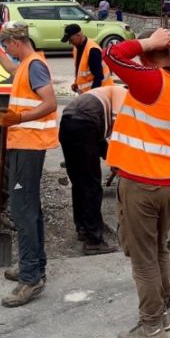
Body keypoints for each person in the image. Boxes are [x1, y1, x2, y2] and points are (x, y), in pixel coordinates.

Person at [104, 28, 170, 338]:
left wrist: (147, 42)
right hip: (169, 185)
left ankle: (151, 326)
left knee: (143, 257)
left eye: (144, 52)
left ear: (149, 54)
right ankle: (161, 312)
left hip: (143, 184)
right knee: (159, 249)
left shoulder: (152, 81)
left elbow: (112, 54)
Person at [0, 21, 58, 308]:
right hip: (24, 144)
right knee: (29, 206)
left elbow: (50, 103)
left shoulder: (35, 66)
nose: (9, 52)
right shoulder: (26, 64)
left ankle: (31, 278)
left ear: (18, 42)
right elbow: (12, 70)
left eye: (8, 46)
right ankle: (35, 266)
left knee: (22, 209)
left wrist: (18, 119)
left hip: (29, 144)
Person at [59, 84, 128, 255]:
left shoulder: (102, 94)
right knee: (91, 186)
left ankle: (83, 227)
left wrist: (110, 157)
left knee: (79, 181)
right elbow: (117, 130)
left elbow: (99, 139)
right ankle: (93, 240)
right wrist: (119, 161)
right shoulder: (123, 93)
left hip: (68, 123)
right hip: (83, 126)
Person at [62, 23, 114, 94]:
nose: (70, 43)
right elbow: (80, 69)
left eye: (71, 40)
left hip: (101, 92)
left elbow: (98, 77)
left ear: (78, 35)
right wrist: (77, 83)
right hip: (87, 92)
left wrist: (92, 96)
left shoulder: (92, 51)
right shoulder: (76, 47)